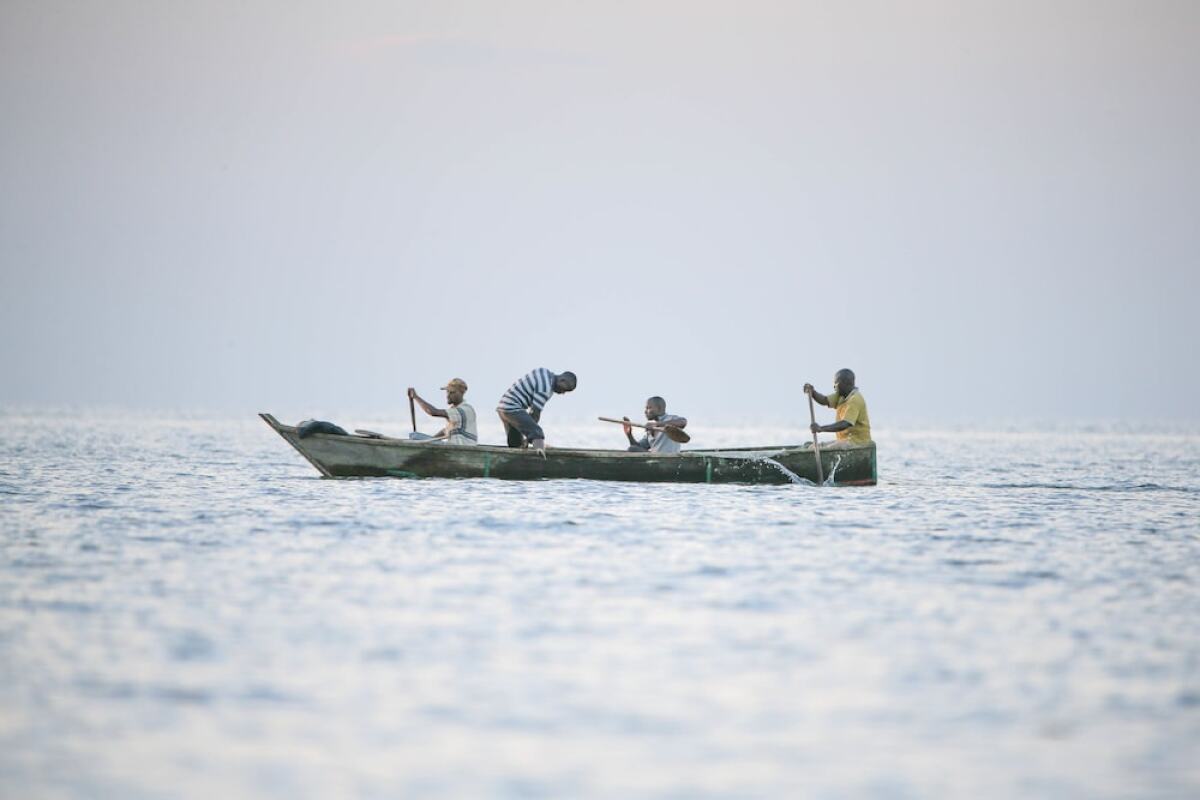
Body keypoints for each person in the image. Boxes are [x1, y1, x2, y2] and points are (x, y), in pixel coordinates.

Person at [497, 368, 577, 450]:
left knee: (516, 443)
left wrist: (527, 437)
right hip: (511, 407)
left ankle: (517, 449)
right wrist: (533, 437)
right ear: (562, 380)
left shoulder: (545, 372)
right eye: (564, 390)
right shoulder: (545, 388)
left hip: (502, 406)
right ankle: (540, 452)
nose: (563, 393)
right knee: (537, 432)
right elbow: (535, 413)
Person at [804, 368, 872, 445]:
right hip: (845, 441)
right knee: (817, 446)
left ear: (845, 383)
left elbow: (845, 424)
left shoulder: (855, 399)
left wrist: (821, 428)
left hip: (858, 442)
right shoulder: (841, 396)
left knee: (828, 448)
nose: (834, 387)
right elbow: (824, 400)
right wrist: (813, 392)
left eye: (836, 384)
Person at [407, 378, 478, 445]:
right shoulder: (455, 410)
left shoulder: (464, 409)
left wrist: (415, 397)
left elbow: (433, 412)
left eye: (452, 392)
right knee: (416, 437)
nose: (448, 395)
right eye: (447, 392)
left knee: (415, 436)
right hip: (455, 447)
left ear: (461, 393)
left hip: (461, 447)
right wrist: (429, 440)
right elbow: (446, 431)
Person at [622, 396, 687, 454]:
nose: (645, 411)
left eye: (648, 408)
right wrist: (629, 434)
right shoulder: (650, 429)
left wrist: (657, 424)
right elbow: (637, 448)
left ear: (659, 408)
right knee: (632, 449)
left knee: (632, 449)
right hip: (655, 460)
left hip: (669, 460)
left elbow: (683, 422)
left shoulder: (671, 419)